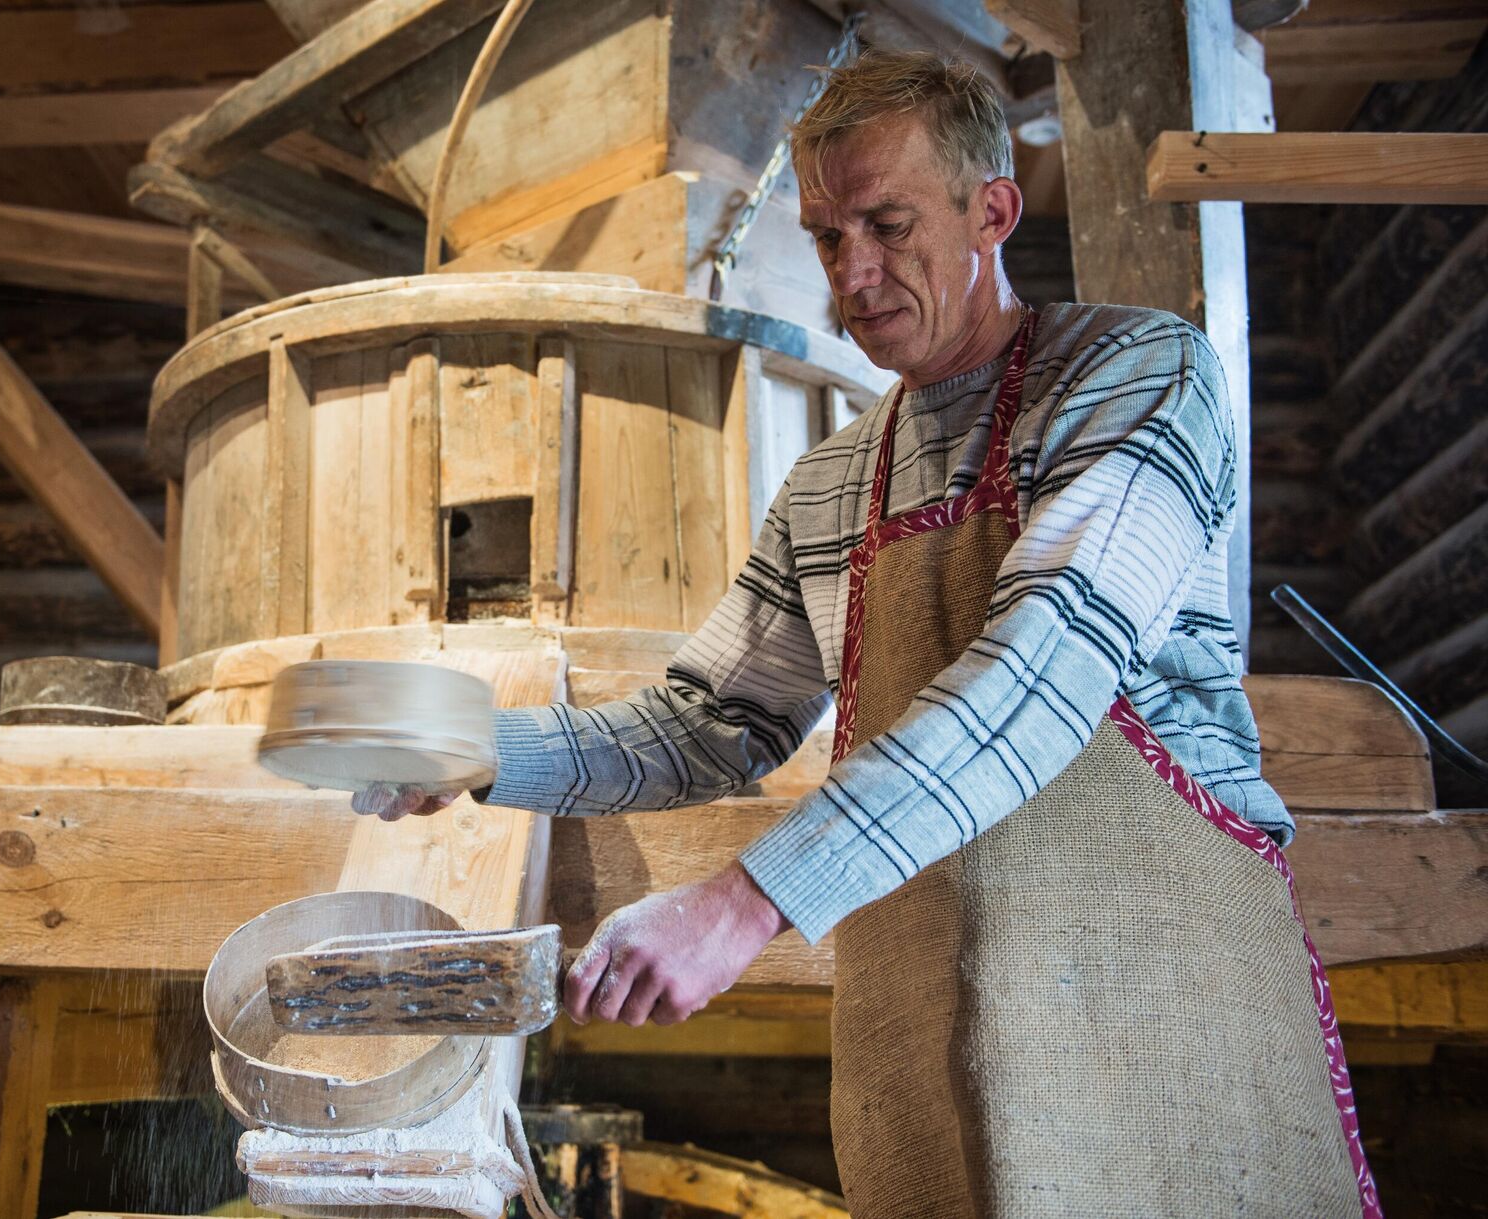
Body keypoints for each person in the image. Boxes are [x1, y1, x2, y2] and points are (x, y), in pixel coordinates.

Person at [356, 50, 1378, 1218]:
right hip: (929, 1021)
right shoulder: (833, 482)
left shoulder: (1138, 377)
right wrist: (489, 749)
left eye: (888, 225)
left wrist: (744, 903)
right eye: (828, 236)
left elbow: (1039, 678)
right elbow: (711, 722)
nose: (855, 272)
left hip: (1162, 1000)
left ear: (992, 209)